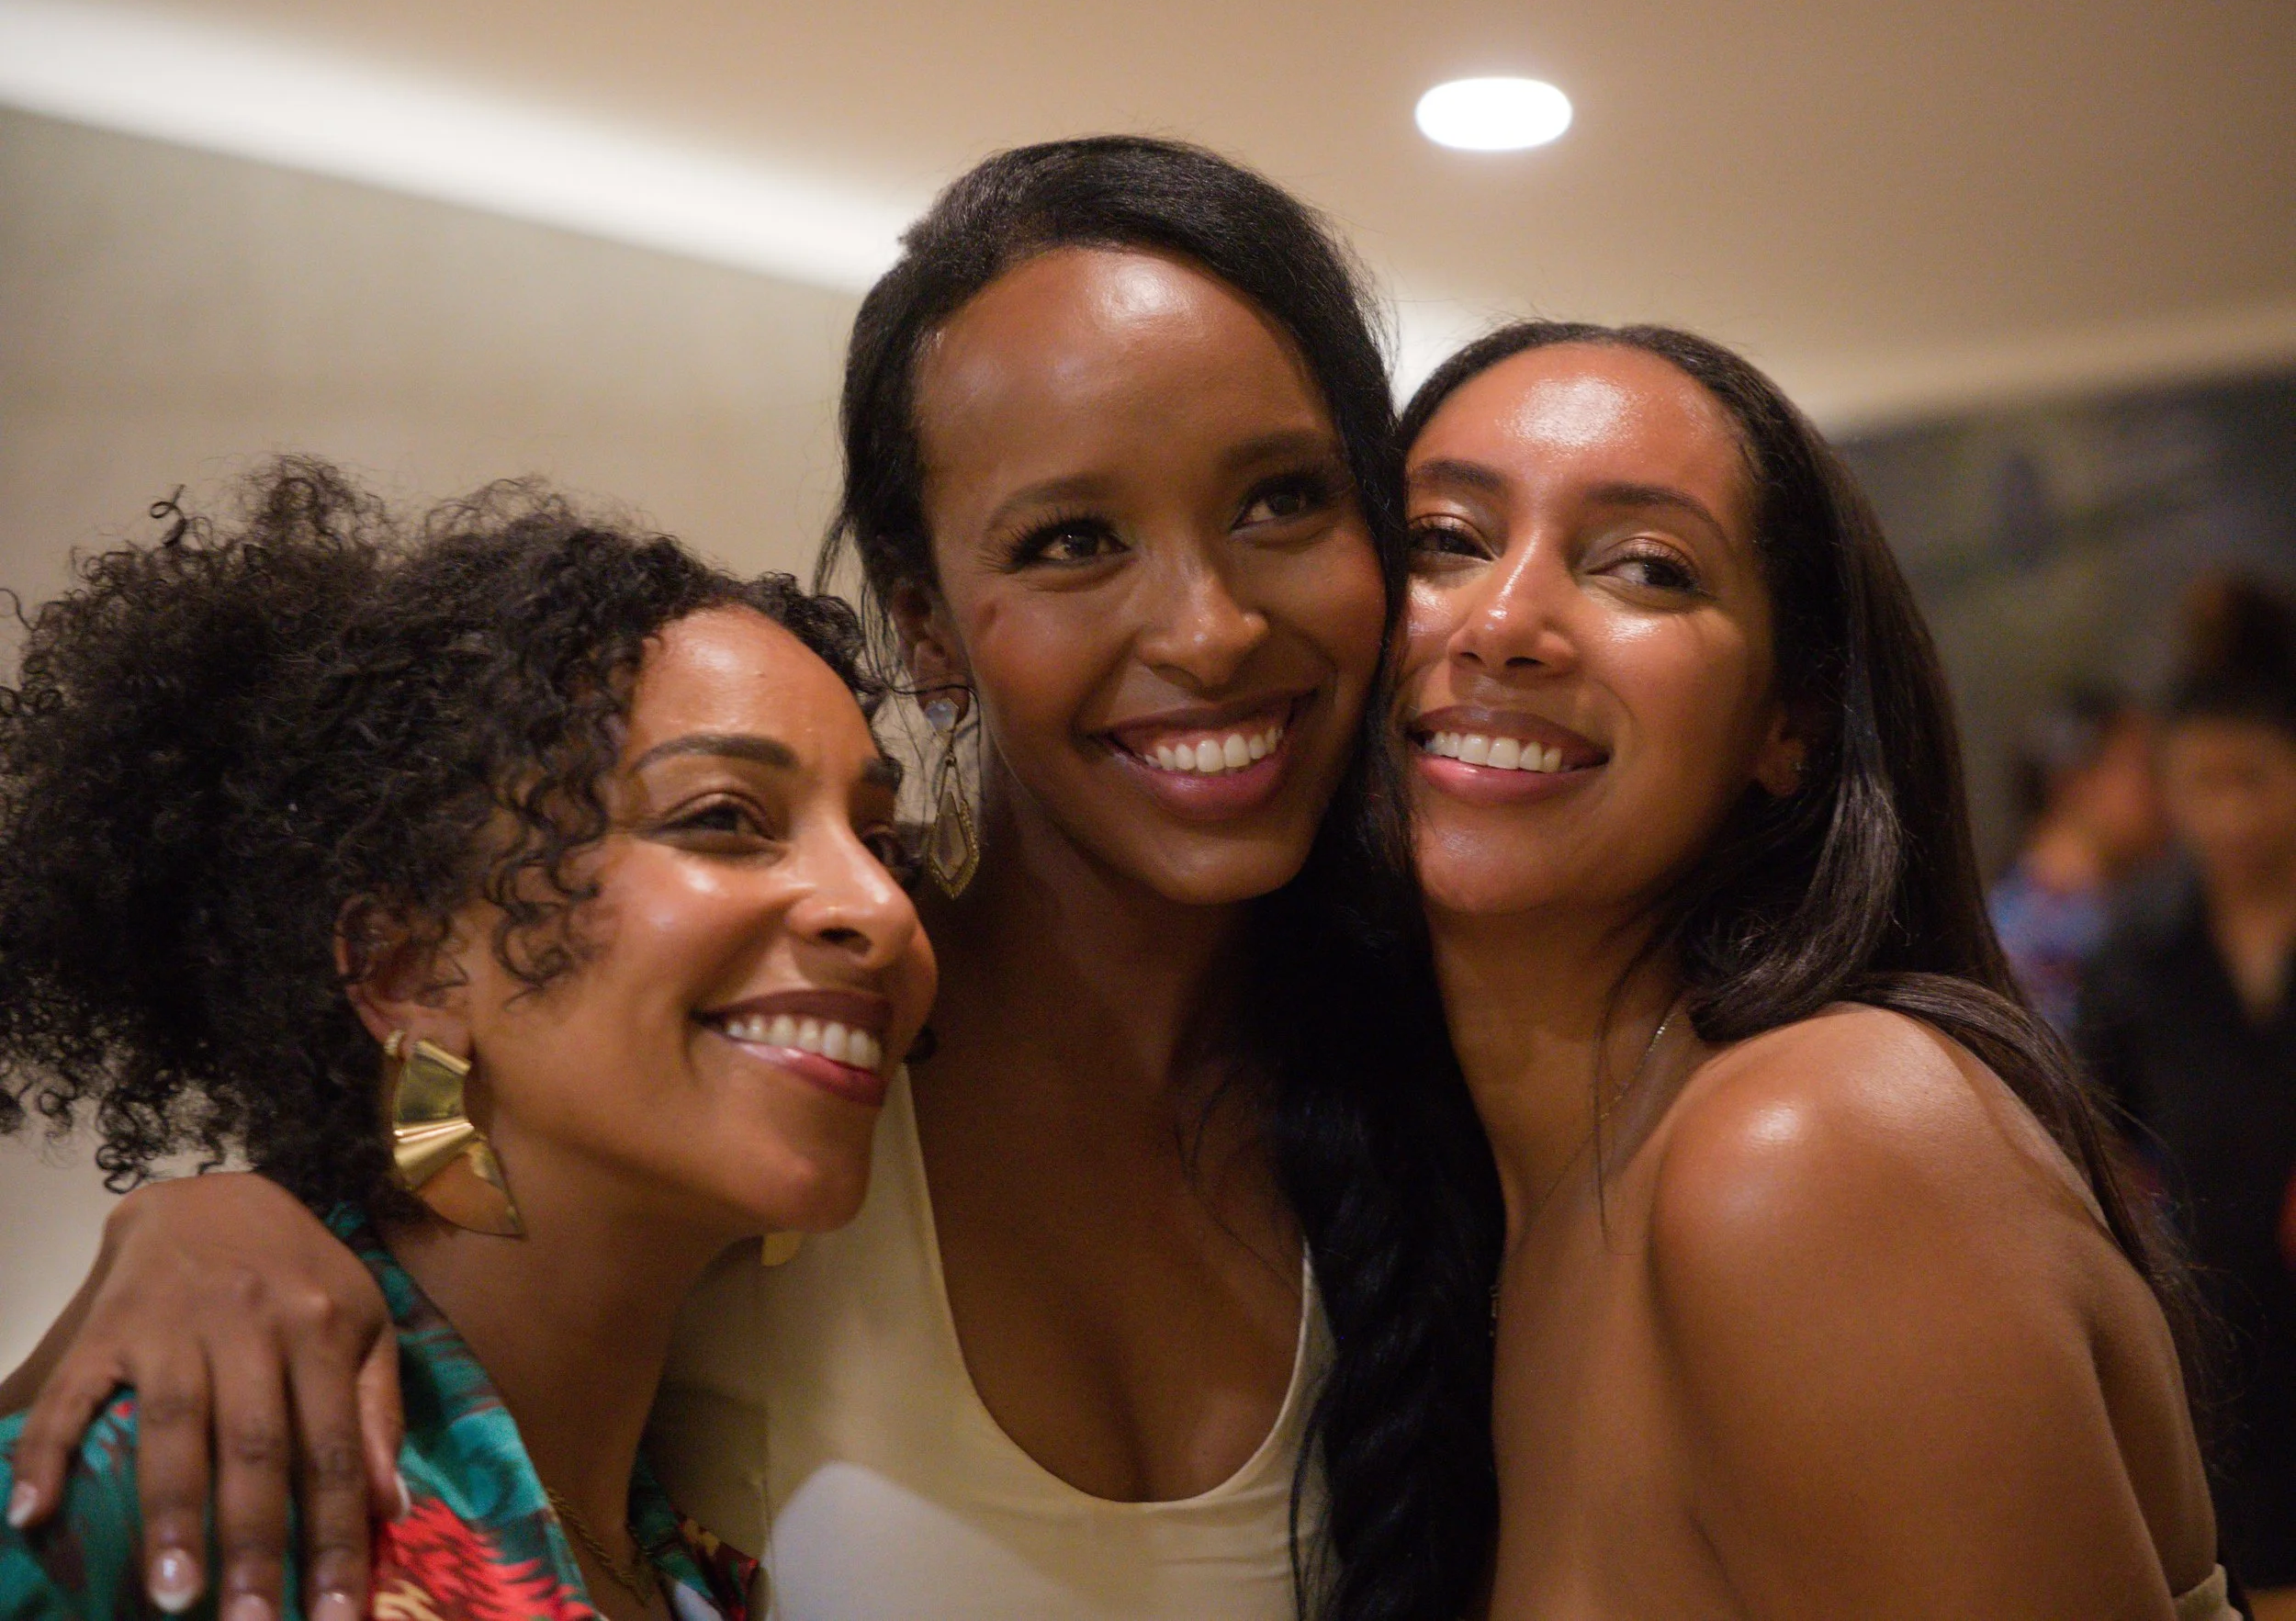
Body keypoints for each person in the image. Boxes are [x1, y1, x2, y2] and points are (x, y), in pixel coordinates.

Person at [0, 141, 1500, 1621]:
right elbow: (463, 1176)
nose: (1213, 627)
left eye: (1284, 500)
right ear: (925, 626)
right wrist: (223, 1222)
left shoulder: (1443, 1110)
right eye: (1075, 538)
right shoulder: (775, 1120)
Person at [1394, 321, 2231, 1617]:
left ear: (1790, 720)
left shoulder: (1807, 1148)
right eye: (1442, 540)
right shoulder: (1501, 1204)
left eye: (1645, 568)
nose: (1505, 622)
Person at [0, 464, 938, 1619]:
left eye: (882, 840)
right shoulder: (207, 1482)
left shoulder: (702, 1573)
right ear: (408, 971)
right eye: (724, 821)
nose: (883, 908)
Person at [2082, 575, 2296, 1611]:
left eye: (2250, 780)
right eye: (2198, 784)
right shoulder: (2137, 948)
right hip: (2219, 1323)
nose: (2227, 814)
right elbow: (2092, 1130)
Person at [1988, 686, 2168, 1035]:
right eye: (2145, 767)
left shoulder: (2135, 913)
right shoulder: (2018, 934)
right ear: (2076, 782)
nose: (2165, 791)